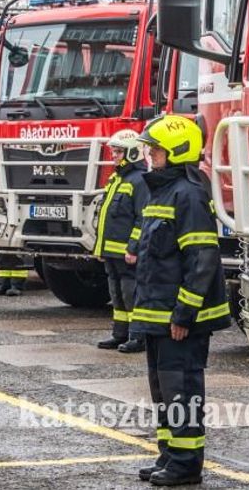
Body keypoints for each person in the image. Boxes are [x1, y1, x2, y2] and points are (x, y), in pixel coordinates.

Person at [128, 115, 229, 487]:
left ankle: (186, 464)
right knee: (164, 389)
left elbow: (201, 261)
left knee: (182, 389)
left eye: (155, 149)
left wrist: (184, 313)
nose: (149, 155)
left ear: (175, 152)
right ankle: (170, 454)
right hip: (158, 313)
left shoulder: (188, 193)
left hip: (178, 318)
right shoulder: (162, 190)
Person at [95, 129, 150, 353]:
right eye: (114, 151)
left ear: (132, 153)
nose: (114, 156)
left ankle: (138, 336)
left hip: (127, 253)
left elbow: (142, 217)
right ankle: (120, 334)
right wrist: (99, 248)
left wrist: (133, 248)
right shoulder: (117, 178)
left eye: (118, 152)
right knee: (116, 293)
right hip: (111, 251)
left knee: (131, 293)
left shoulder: (139, 181)